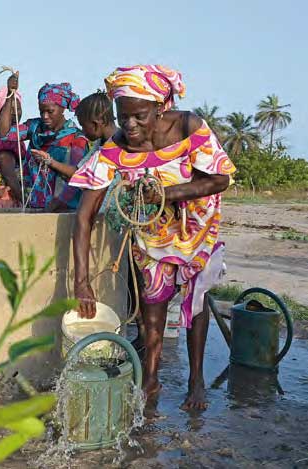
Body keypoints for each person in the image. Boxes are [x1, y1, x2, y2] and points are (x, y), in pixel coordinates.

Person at [69, 65, 236, 411]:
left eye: (139, 116)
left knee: (196, 302)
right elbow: (84, 216)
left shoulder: (189, 127)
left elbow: (220, 180)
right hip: (153, 233)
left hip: (195, 228)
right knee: (153, 301)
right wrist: (81, 281)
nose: (130, 125)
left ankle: (196, 381)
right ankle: (150, 379)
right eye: (123, 117)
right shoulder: (114, 150)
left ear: (160, 108)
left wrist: (167, 193)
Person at [0, 74, 90, 211]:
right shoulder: (35, 128)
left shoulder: (76, 139)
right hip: (34, 207)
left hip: (64, 212)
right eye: (42, 111)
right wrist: (10, 95)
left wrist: (50, 162)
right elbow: (4, 134)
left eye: (50, 111)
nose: (45, 116)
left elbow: (77, 175)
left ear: (62, 109)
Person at [0, 86, 27, 204]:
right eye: (9, 109)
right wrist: (25, 201)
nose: (15, 113)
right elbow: (9, 175)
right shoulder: (4, 139)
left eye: (18, 108)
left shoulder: (18, 137)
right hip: (7, 199)